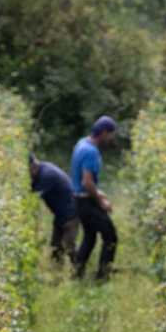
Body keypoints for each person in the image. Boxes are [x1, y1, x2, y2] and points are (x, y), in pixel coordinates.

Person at [70, 116, 119, 280]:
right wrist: (101, 201)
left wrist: (98, 192)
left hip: (78, 199)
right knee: (110, 236)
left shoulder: (82, 143)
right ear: (104, 133)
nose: (112, 138)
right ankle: (103, 276)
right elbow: (87, 181)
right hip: (87, 202)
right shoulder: (91, 152)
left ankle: (77, 273)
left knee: (90, 237)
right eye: (111, 134)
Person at [30, 154, 79, 266]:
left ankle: (79, 272)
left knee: (69, 245)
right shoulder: (42, 170)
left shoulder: (46, 175)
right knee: (56, 247)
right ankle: (57, 276)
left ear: (33, 166)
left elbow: (32, 198)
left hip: (70, 213)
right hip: (60, 214)